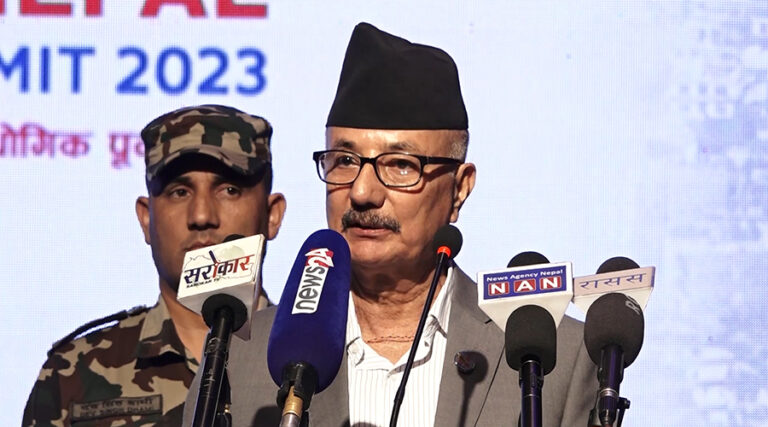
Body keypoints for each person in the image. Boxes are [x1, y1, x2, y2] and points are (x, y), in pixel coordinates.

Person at [184, 23, 598, 426]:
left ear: (459, 189)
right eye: (345, 161)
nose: (362, 192)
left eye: (401, 165)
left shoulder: (553, 358)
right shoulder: (241, 356)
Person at [22, 105, 286, 426]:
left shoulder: (315, 367)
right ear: (146, 219)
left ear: (272, 215)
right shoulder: (72, 375)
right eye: (179, 192)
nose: (202, 216)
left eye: (229, 190)